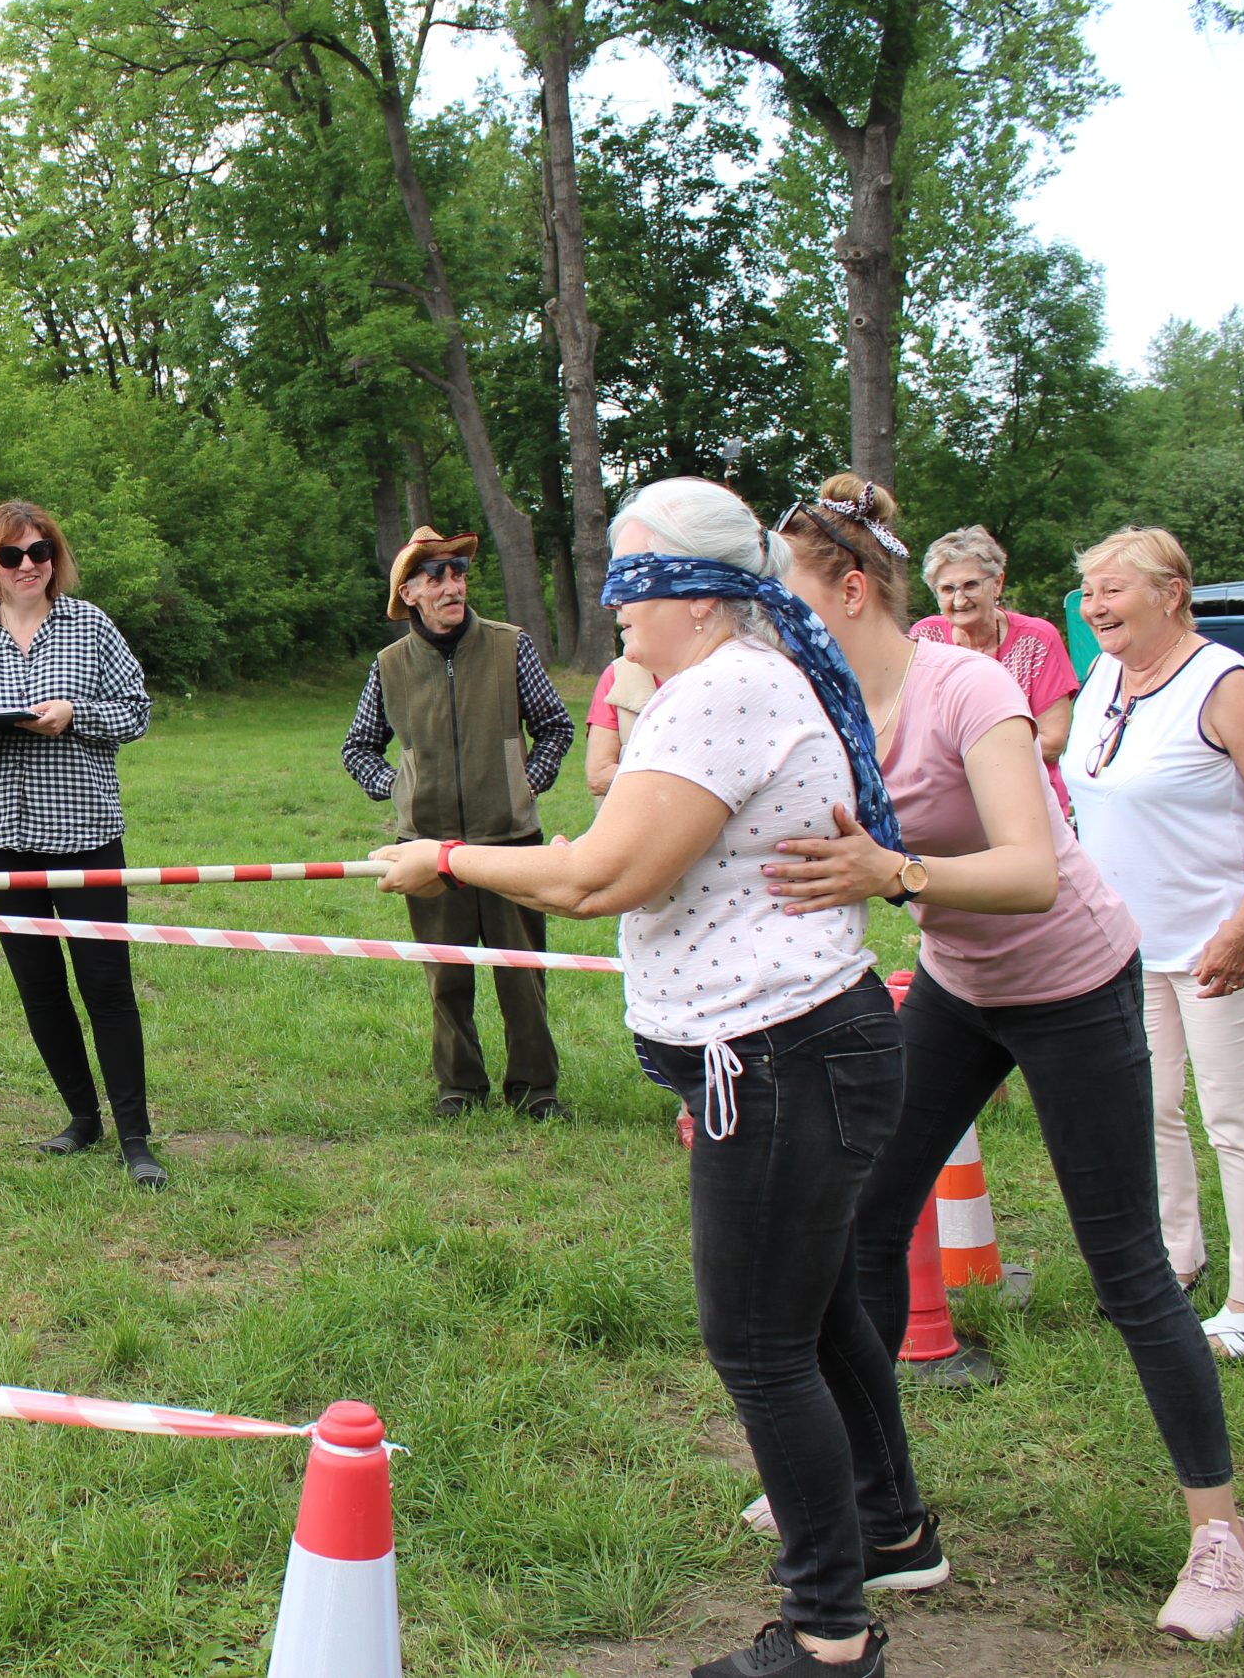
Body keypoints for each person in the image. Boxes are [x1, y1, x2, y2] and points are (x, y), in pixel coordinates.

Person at [374, 478, 914, 1676]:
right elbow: (634, 863)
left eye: (629, 581)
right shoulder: (726, 680)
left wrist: (443, 857)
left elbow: (601, 879)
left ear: (695, 594)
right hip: (785, 1054)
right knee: (816, 1320)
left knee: (760, 1348)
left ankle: (829, 1631)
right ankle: (890, 1527)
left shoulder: (723, 690)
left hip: (777, 1060)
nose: (614, 608)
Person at [765, 485, 1244, 1644]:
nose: (771, 615)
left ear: (846, 588)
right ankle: (876, 1508)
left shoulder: (966, 687)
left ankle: (1220, 1541)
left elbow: (1030, 869)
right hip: (958, 984)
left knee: (1128, 1268)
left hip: (1073, 979)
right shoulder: (828, 698)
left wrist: (893, 874)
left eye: (786, 590)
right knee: (865, 1227)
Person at [1065, 528, 1244, 1365]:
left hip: (1218, 941)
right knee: (1149, 1109)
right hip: (1122, 942)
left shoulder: (1227, 683)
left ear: (1171, 592)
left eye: (1112, 590)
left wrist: (1243, 928)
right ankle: (1172, 1264)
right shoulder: (1106, 673)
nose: (1095, 607)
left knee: (1235, 1120)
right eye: (1089, 593)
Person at [0, 501, 162, 1187]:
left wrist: (76, 715)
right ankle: (81, 1118)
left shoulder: (90, 625)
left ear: (55, 558)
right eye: (13, 555)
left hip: (85, 833)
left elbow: (137, 712)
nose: (28, 565)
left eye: (40, 552)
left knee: (106, 985)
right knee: (39, 988)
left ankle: (136, 1138)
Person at [341, 525, 574, 1119]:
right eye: (436, 575)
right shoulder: (390, 665)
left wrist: (528, 779)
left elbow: (556, 727)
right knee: (447, 977)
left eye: (459, 572)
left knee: (522, 975)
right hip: (426, 851)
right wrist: (398, 788)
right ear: (410, 593)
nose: (452, 584)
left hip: (511, 844)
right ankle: (460, 1088)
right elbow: (359, 747)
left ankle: (535, 1090)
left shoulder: (509, 645)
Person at [909, 523, 1079, 812]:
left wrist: (961, 753)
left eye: (971, 585)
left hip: (1030, 802)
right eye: (947, 589)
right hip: (950, 809)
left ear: (997, 583)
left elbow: (1052, 742)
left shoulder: (1037, 639)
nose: (959, 600)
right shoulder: (924, 639)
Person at [583, 654, 659, 802]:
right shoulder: (620, 672)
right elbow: (598, 776)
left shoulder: (713, 673)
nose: (623, 629)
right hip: (634, 816)